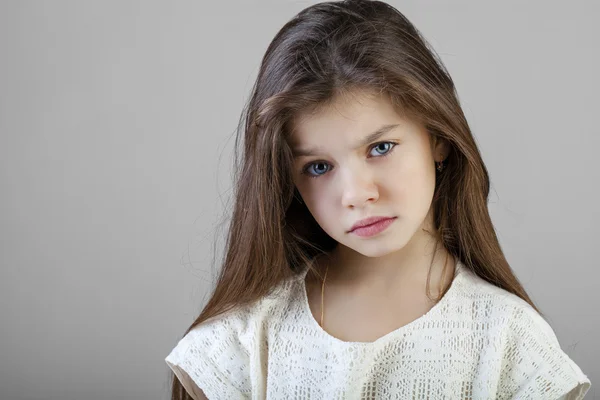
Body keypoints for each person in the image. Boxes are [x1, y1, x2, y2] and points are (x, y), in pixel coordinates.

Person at [164, 0, 591, 398]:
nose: (356, 194)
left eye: (381, 148)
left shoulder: (512, 346)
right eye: (318, 167)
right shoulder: (241, 344)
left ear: (438, 137)